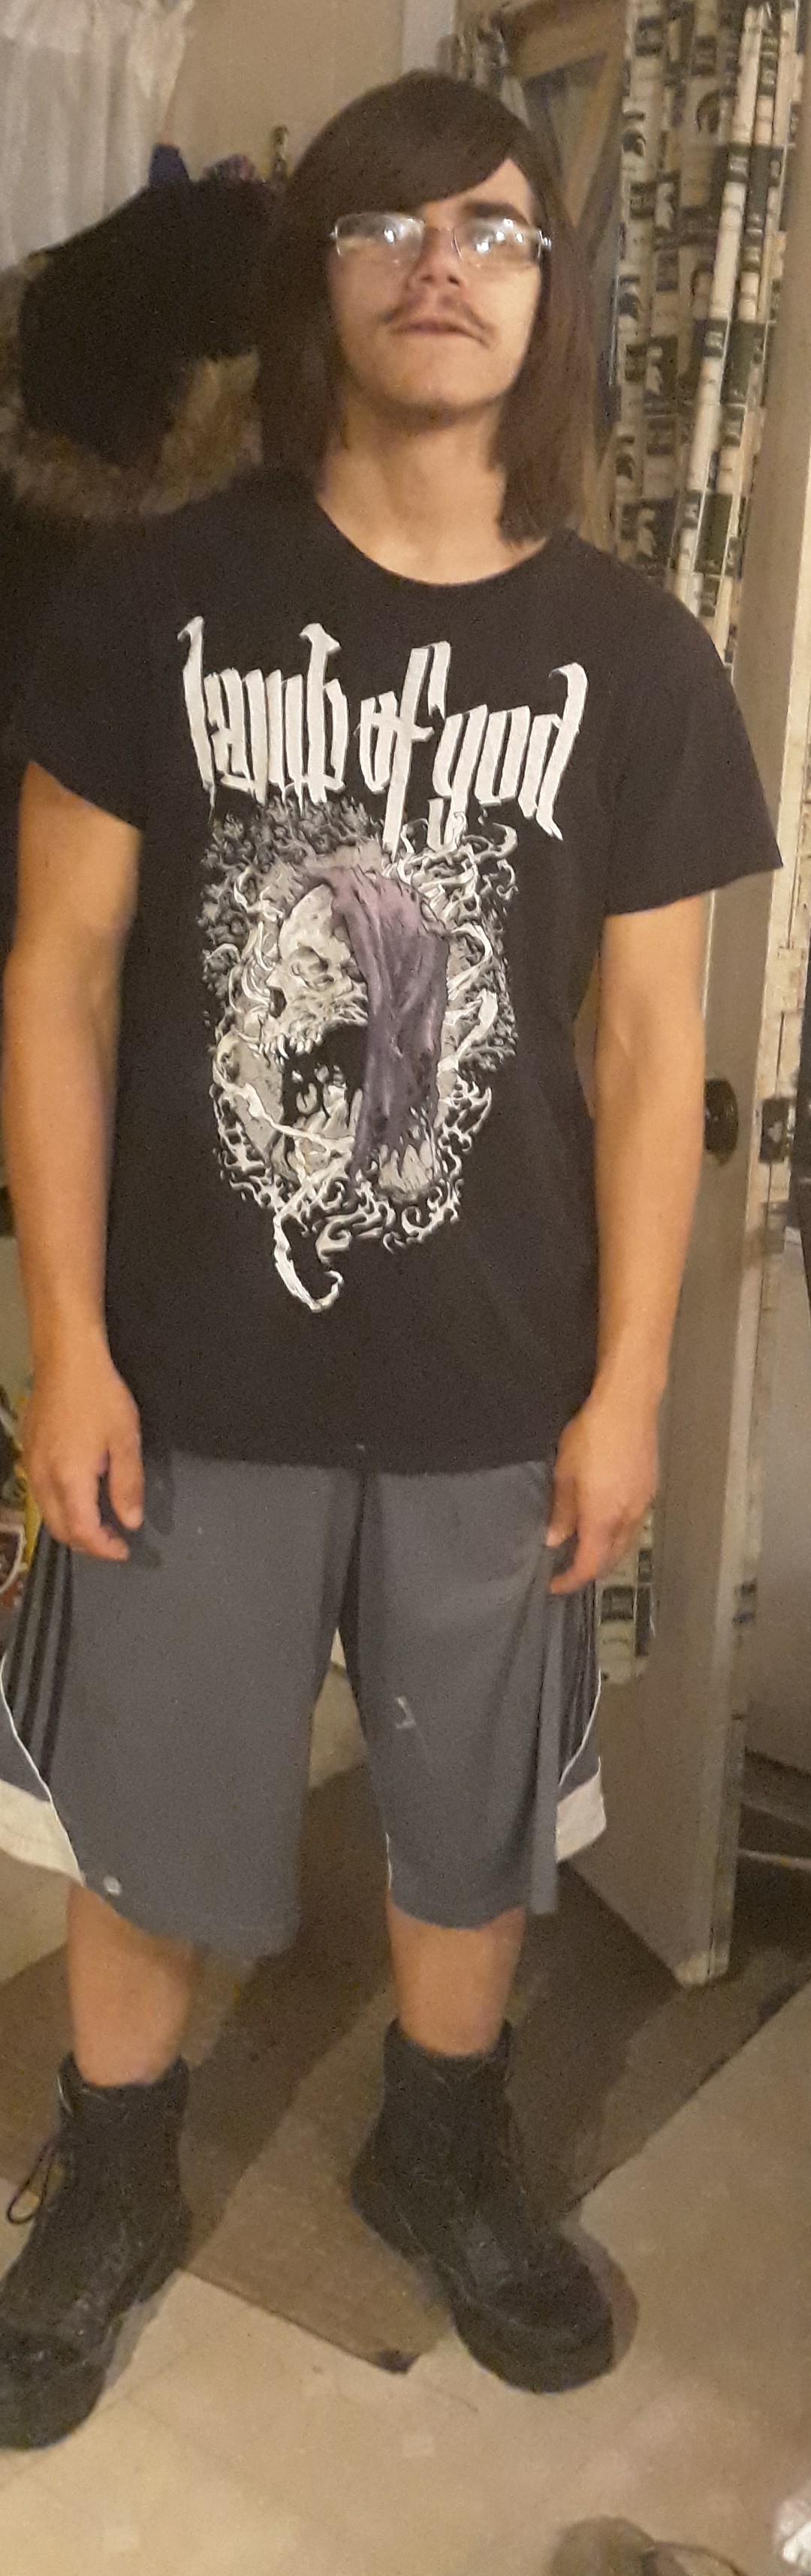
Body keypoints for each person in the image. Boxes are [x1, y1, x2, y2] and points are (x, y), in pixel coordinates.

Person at [0, 70, 779, 2451]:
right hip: (185, 1370)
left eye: (498, 229)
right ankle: (109, 2175)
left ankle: (439, 2140)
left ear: (552, 299)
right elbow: (56, 975)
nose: (445, 265)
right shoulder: (154, 601)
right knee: (146, 1815)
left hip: (498, 1381)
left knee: (471, 1820)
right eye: (389, 226)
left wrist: (629, 1386)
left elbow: (645, 1054)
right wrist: (66, 1343)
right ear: (315, 280)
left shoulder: (635, 659)